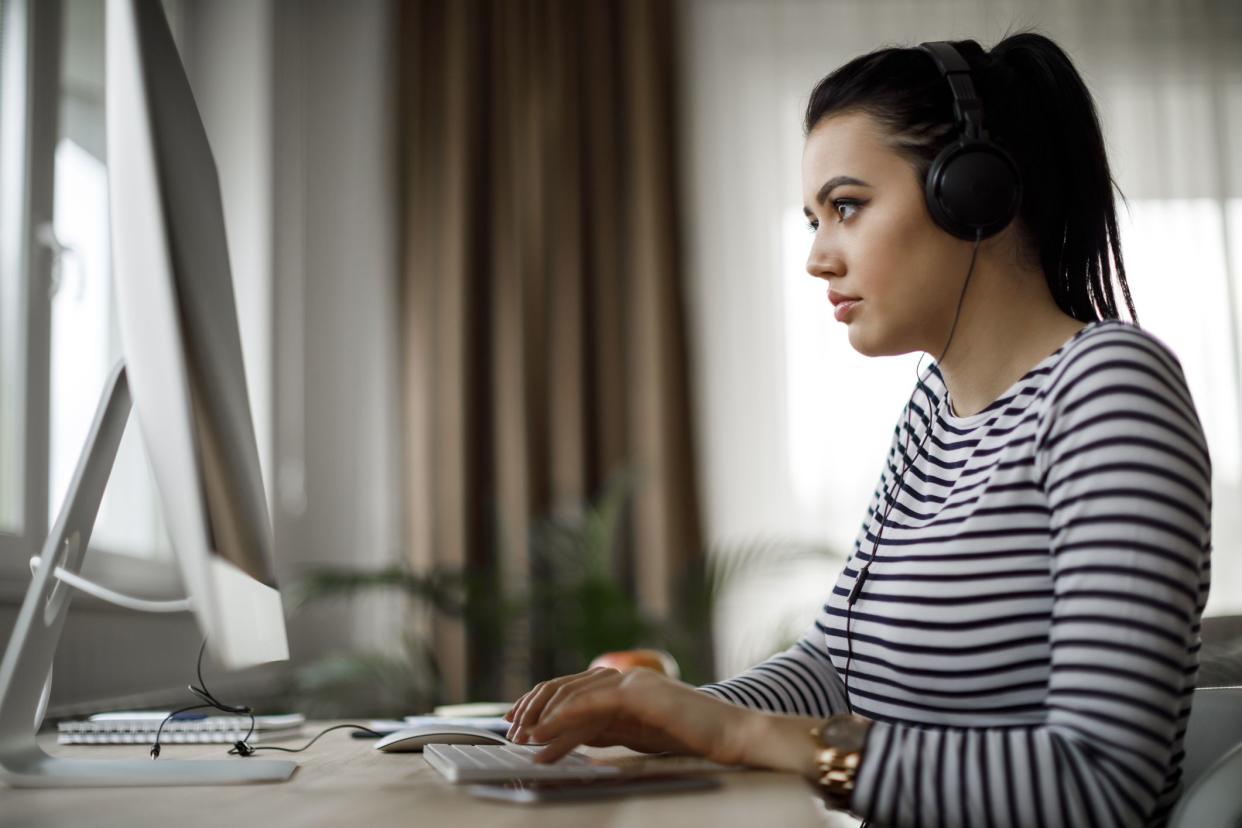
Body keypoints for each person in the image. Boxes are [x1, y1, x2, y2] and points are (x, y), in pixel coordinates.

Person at [503, 31, 1212, 828]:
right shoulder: (929, 418)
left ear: (972, 193)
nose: (816, 257)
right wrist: (667, 712)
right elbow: (834, 666)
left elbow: (1099, 785)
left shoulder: (1109, 387)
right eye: (814, 218)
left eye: (846, 207)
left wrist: (738, 734)